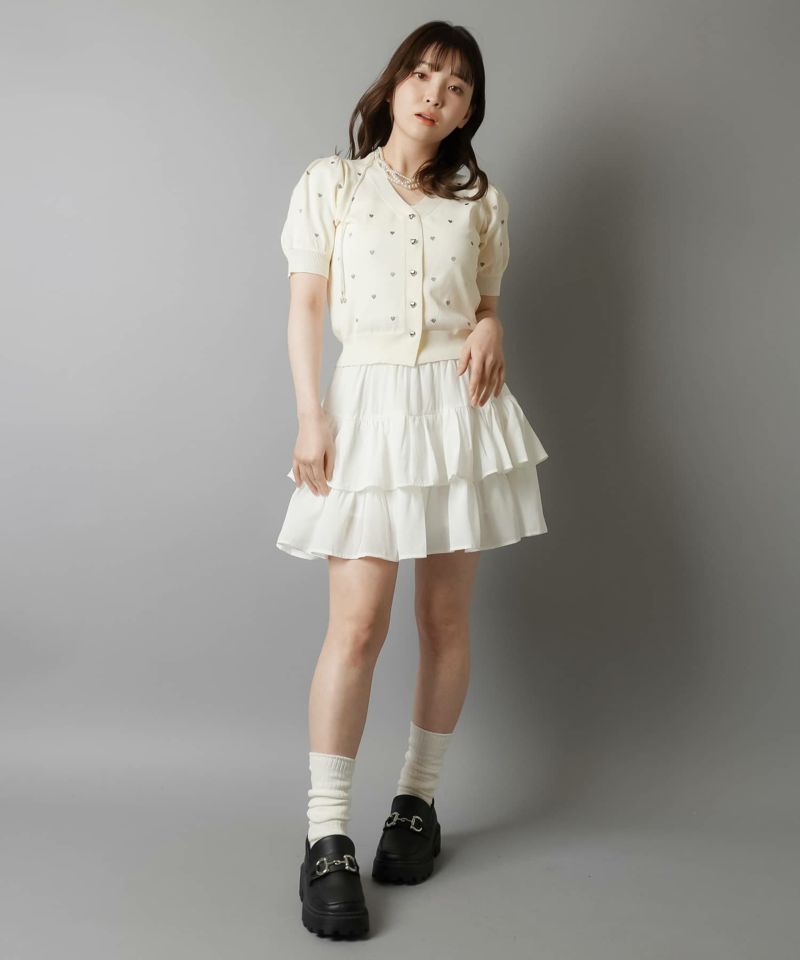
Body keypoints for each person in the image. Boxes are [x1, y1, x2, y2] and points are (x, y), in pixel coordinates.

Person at [277, 20, 549, 939]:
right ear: (394, 84)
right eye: (424, 74)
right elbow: (305, 305)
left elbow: (485, 304)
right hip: (366, 408)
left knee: (443, 621)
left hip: (455, 414)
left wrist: (491, 325)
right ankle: (325, 835)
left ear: (470, 111)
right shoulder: (332, 184)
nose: (437, 93)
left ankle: (416, 804)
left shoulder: (481, 200)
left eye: (458, 85)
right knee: (356, 626)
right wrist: (311, 414)